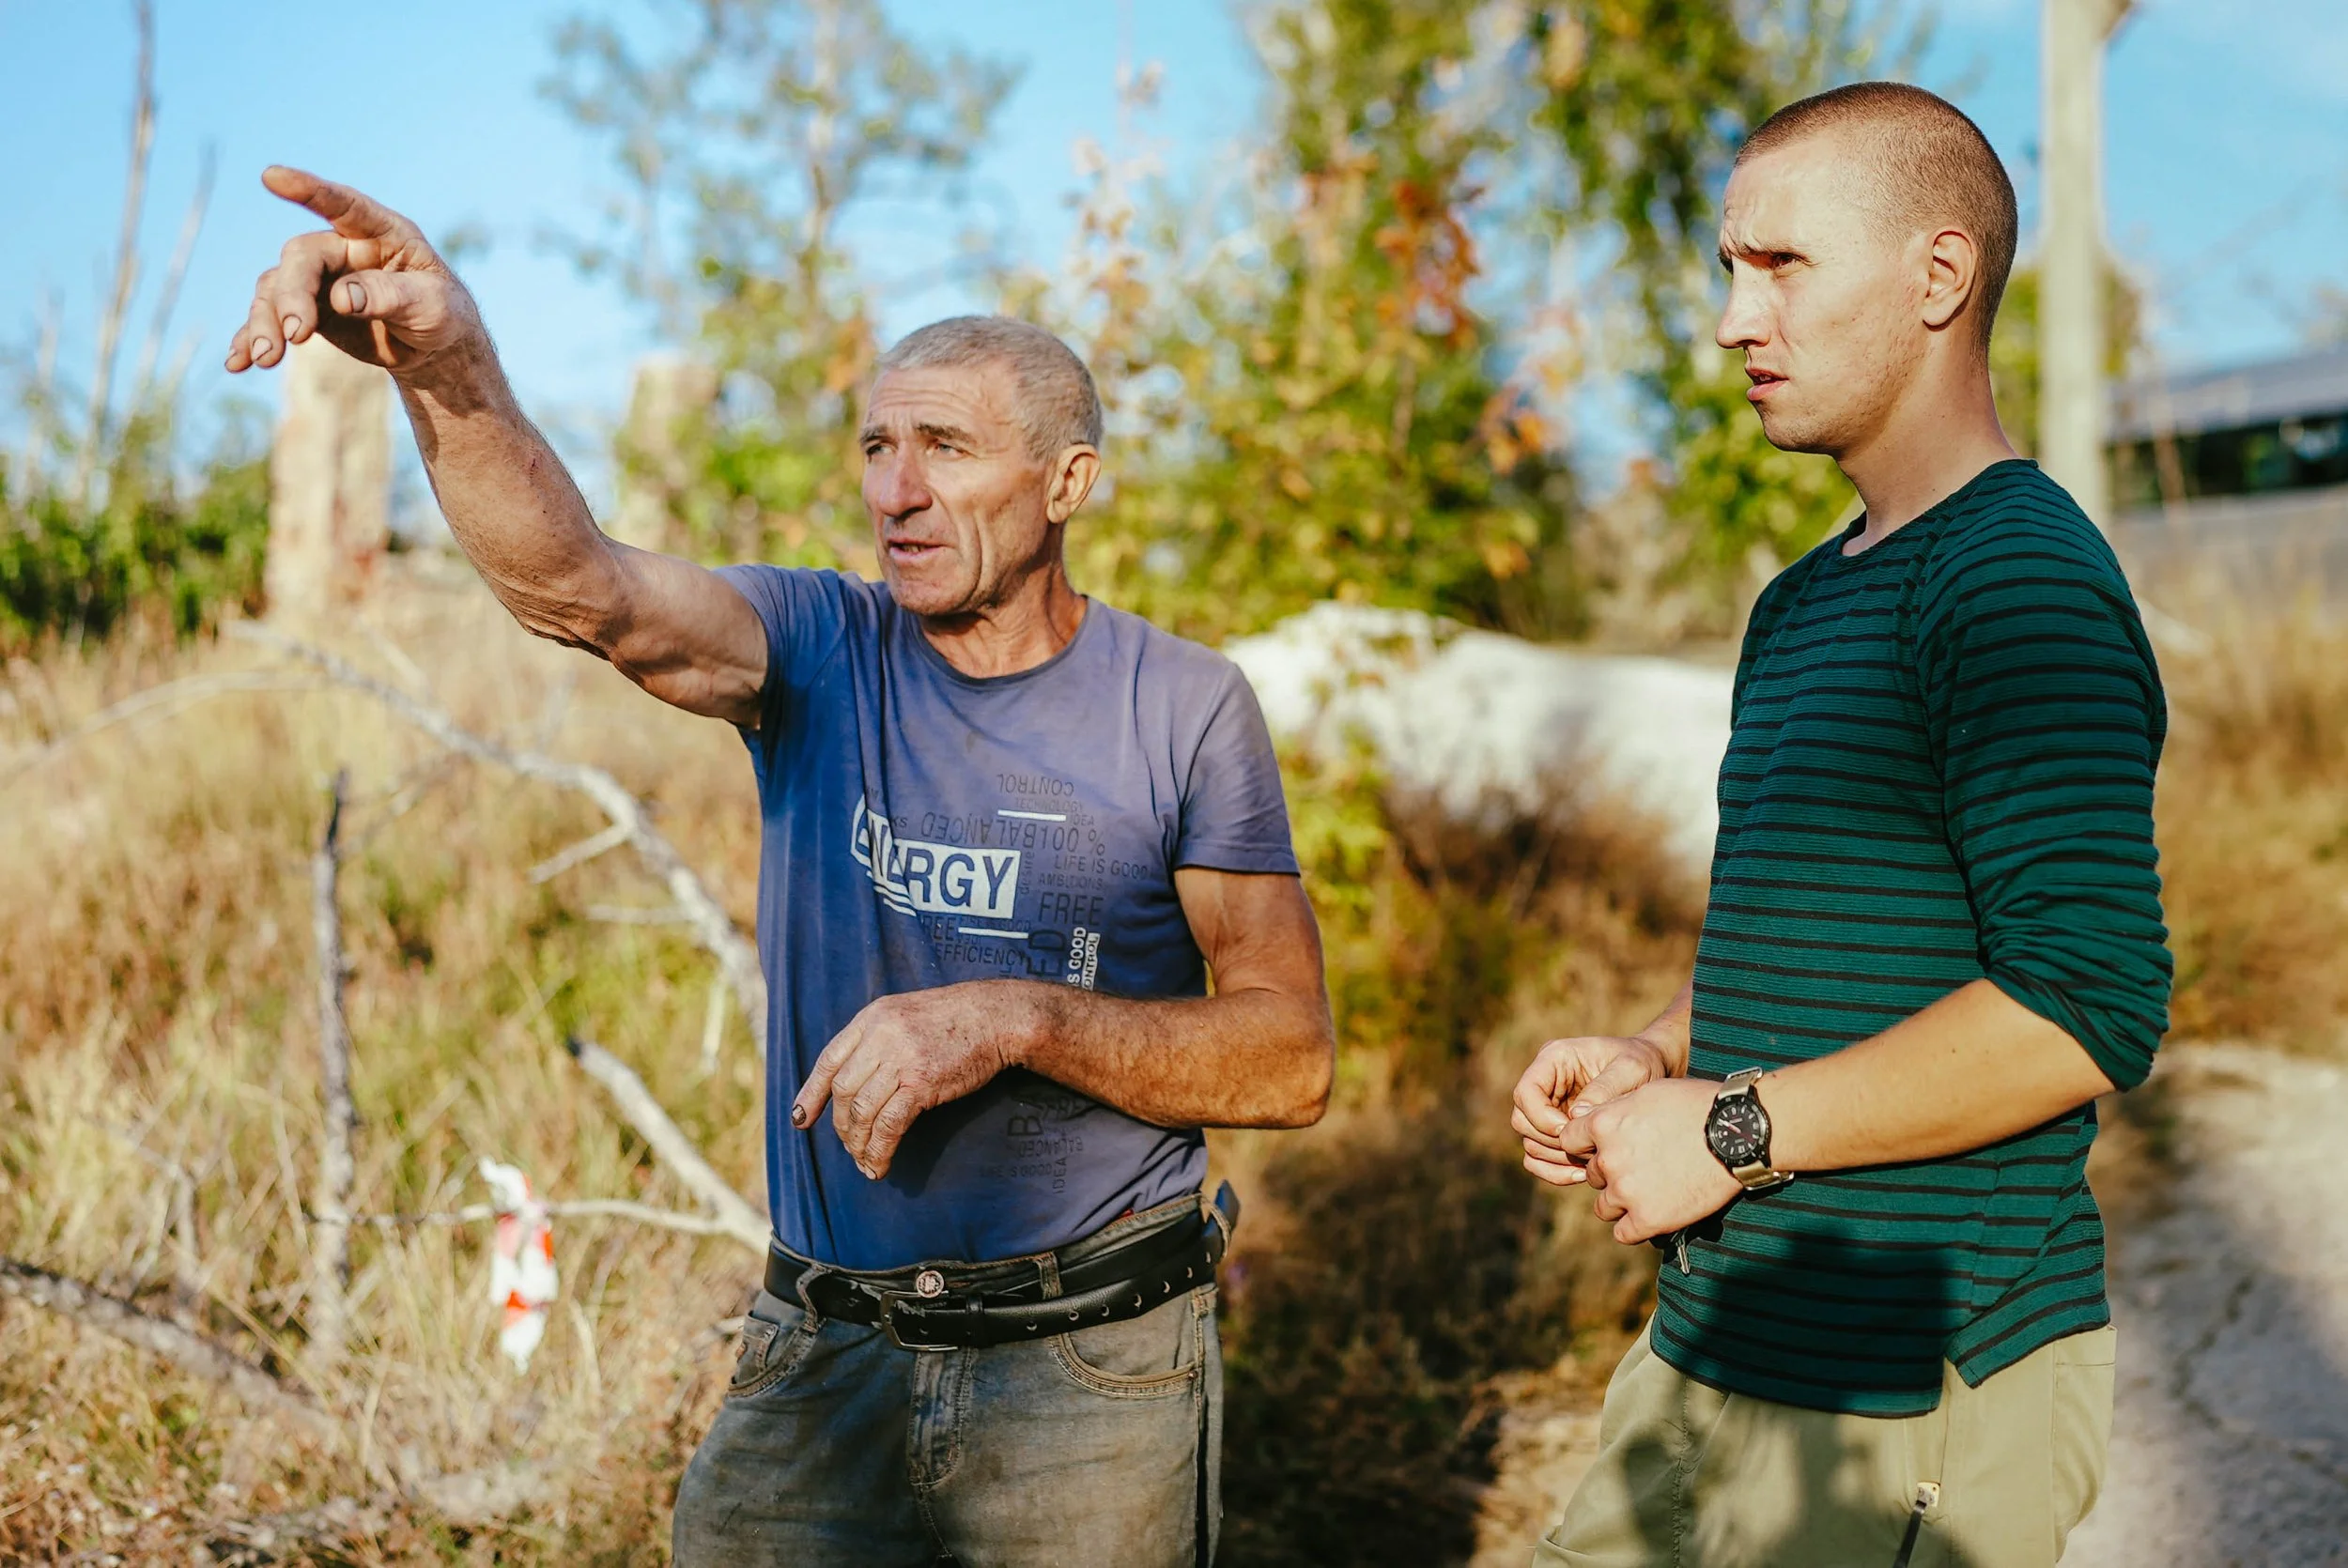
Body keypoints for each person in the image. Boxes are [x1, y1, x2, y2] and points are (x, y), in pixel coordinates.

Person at [228, 166, 1335, 1568]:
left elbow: (1288, 1059)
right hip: (821, 1353)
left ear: (1070, 482)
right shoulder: (820, 647)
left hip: (1094, 1375)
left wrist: (1015, 1017)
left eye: (945, 445)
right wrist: (445, 364)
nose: (897, 490)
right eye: (876, 446)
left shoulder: (1182, 707)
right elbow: (580, 585)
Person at [1511, 83, 2170, 1568]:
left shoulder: (2018, 580)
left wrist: (1731, 1132)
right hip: (1714, 1339)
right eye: (1732, 268)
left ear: (1939, 278)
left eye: (1783, 266)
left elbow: (2089, 1000)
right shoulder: (1806, 599)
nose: (1736, 320)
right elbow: (1814, 937)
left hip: (1907, 1384)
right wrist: (1658, 1057)